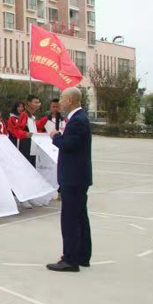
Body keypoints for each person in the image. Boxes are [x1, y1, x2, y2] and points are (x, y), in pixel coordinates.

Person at [46, 87, 92, 272]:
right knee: (80, 217)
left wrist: (55, 136)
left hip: (73, 177)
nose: (60, 102)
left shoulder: (78, 120)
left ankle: (70, 259)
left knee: (70, 220)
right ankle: (82, 255)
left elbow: (69, 145)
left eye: (63, 98)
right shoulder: (78, 118)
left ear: (71, 100)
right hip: (78, 176)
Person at [10, 94, 43, 166]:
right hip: (26, 146)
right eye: (35, 102)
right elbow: (16, 130)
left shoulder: (33, 116)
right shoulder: (24, 115)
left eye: (38, 102)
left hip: (33, 147)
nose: (37, 104)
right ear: (29, 103)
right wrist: (26, 134)